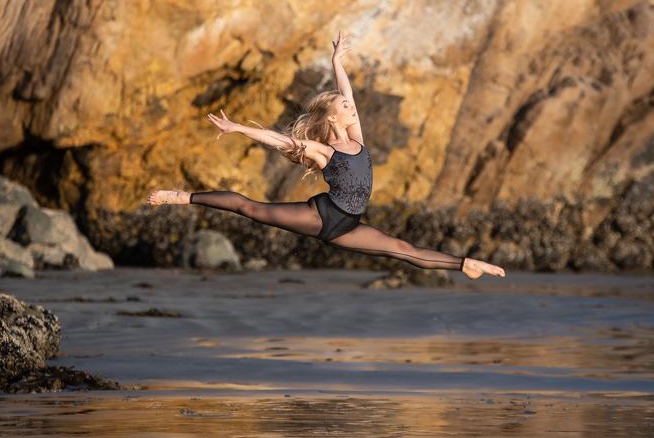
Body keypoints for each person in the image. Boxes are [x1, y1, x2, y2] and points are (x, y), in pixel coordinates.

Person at [148, 30, 505, 280]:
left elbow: (343, 88)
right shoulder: (324, 152)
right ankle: (180, 196)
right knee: (251, 209)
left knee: (400, 247)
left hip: (348, 225)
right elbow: (279, 141)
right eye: (345, 106)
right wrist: (240, 129)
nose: (352, 106)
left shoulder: (357, 136)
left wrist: (337, 59)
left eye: (350, 104)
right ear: (333, 117)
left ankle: (465, 265)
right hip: (324, 216)